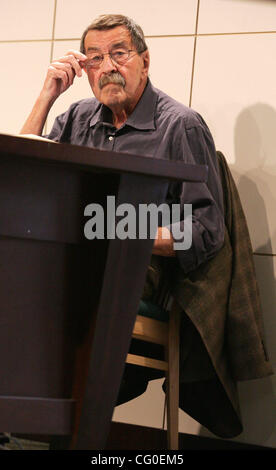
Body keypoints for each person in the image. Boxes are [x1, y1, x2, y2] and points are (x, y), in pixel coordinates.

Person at [22, 14, 258, 438]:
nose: (108, 66)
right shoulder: (76, 117)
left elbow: (205, 230)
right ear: (85, 70)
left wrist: (121, 234)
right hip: (73, 270)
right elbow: (23, 181)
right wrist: (47, 96)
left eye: (119, 54)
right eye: (94, 58)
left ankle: (39, 418)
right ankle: (29, 418)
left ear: (144, 62)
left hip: (137, 276)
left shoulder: (179, 125)